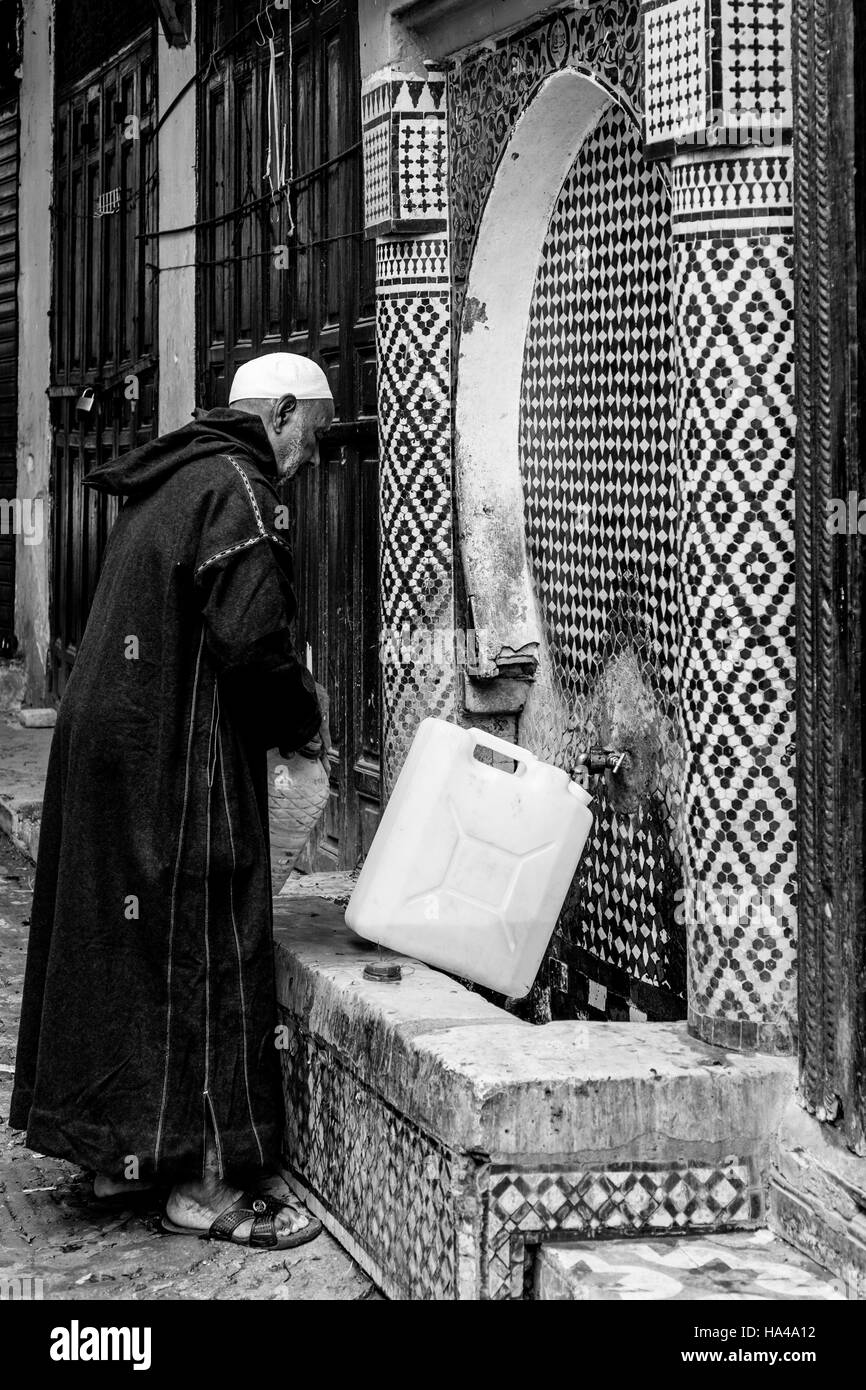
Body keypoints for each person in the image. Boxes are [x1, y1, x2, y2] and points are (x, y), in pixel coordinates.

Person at [10, 353, 335, 1251]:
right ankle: (200, 1185)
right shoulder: (239, 486)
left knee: (122, 942)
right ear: (280, 412)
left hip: (111, 743)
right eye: (313, 432)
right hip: (170, 755)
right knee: (204, 937)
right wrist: (303, 722)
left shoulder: (178, 474)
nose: (312, 454)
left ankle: (119, 1153)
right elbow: (252, 642)